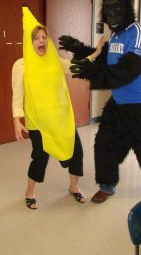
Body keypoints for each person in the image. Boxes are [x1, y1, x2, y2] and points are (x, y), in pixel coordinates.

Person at [58, 0, 141, 204]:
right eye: (108, 9)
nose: (112, 14)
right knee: (104, 144)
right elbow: (104, 60)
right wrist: (79, 48)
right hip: (119, 104)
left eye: (117, 8)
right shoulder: (116, 35)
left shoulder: (139, 32)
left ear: (128, 9)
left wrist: (93, 74)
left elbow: (127, 71)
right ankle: (107, 186)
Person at [12, 21, 86, 209]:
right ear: (29, 42)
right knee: (40, 156)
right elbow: (18, 95)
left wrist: (95, 54)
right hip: (37, 121)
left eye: (44, 37)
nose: (41, 41)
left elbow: (75, 67)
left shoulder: (55, 60)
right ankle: (29, 192)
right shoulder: (21, 65)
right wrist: (16, 120)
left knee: (76, 151)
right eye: (36, 38)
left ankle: (73, 187)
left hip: (61, 118)